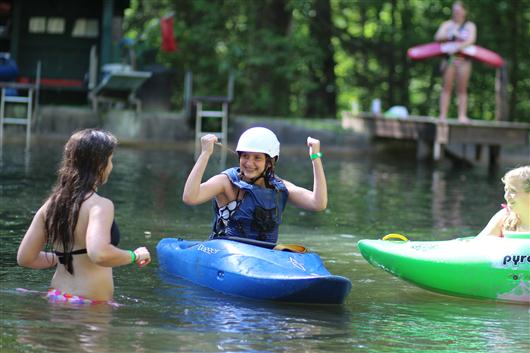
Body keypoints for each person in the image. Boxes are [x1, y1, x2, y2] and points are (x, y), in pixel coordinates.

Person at [17, 129, 151, 304]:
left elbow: (25, 258)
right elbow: (99, 254)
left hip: (57, 296)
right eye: (110, 160)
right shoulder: (99, 205)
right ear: (99, 164)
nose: (111, 166)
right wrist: (134, 255)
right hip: (89, 305)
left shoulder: (51, 204)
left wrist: (64, 256)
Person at [182, 127, 327, 244]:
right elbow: (190, 198)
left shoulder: (279, 187)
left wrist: (315, 157)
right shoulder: (226, 183)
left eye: (257, 158)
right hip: (227, 255)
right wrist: (205, 154)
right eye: (245, 156)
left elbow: (318, 203)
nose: (249, 163)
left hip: (262, 258)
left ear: (269, 162)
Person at [434, 1, 477, 123]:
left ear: (464, 11)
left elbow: (471, 40)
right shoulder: (447, 25)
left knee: (462, 88)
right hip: (449, 60)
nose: (456, 13)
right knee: (446, 87)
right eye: (454, 11)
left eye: (458, 11)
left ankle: (462, 116)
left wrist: (458, 47)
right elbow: (437, 37)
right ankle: (442, 115)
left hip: (464, 60)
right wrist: (450, 34)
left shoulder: (470, 25)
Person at [476, 166, 530, 238]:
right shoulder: (504, 217)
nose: (506, 196)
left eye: (513, 191)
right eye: (506, 190)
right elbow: (478, 244)